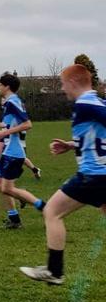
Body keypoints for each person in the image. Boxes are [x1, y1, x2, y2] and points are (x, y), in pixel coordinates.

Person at [20, 64, 106, 285]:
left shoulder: (85, 103)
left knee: (52, 211)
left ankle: (55, 271)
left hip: (93, 176)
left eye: (62, 83)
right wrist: (71, 145)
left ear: (73, 82)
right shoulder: (97, 102)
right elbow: (97, 136)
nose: (61, 88)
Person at [0, 73, 45, 229]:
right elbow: (14, 125)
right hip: (8, 150)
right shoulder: (10, 103)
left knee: (7, 188)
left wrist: (4, 133)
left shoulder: (13, 102)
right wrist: (3, 131)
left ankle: (42, 206)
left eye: (0, 84)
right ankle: (14, 219)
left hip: (14, 152)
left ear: (7, 86)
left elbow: (27, 124)